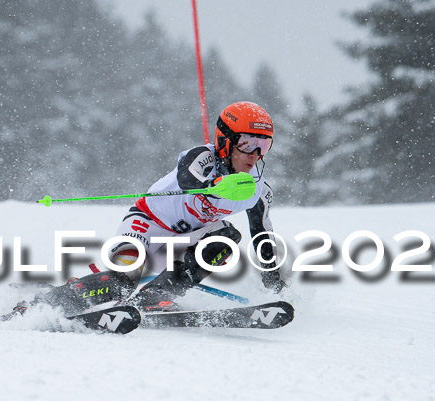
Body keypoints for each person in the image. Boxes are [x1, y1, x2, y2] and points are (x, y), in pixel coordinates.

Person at [40, 101, 287, 312]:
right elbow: (186, 177)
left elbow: (263, 236)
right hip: (146, 224)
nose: (254, 154)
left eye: (263, 145)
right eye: (246, 143)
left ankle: (155, 296)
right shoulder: (205, 156)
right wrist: (214, 184)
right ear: (225, 140)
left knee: (227, 235)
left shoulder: (258, 189)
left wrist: (275, 287)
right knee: (123, 281)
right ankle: (49, 300)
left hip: (183, 244)